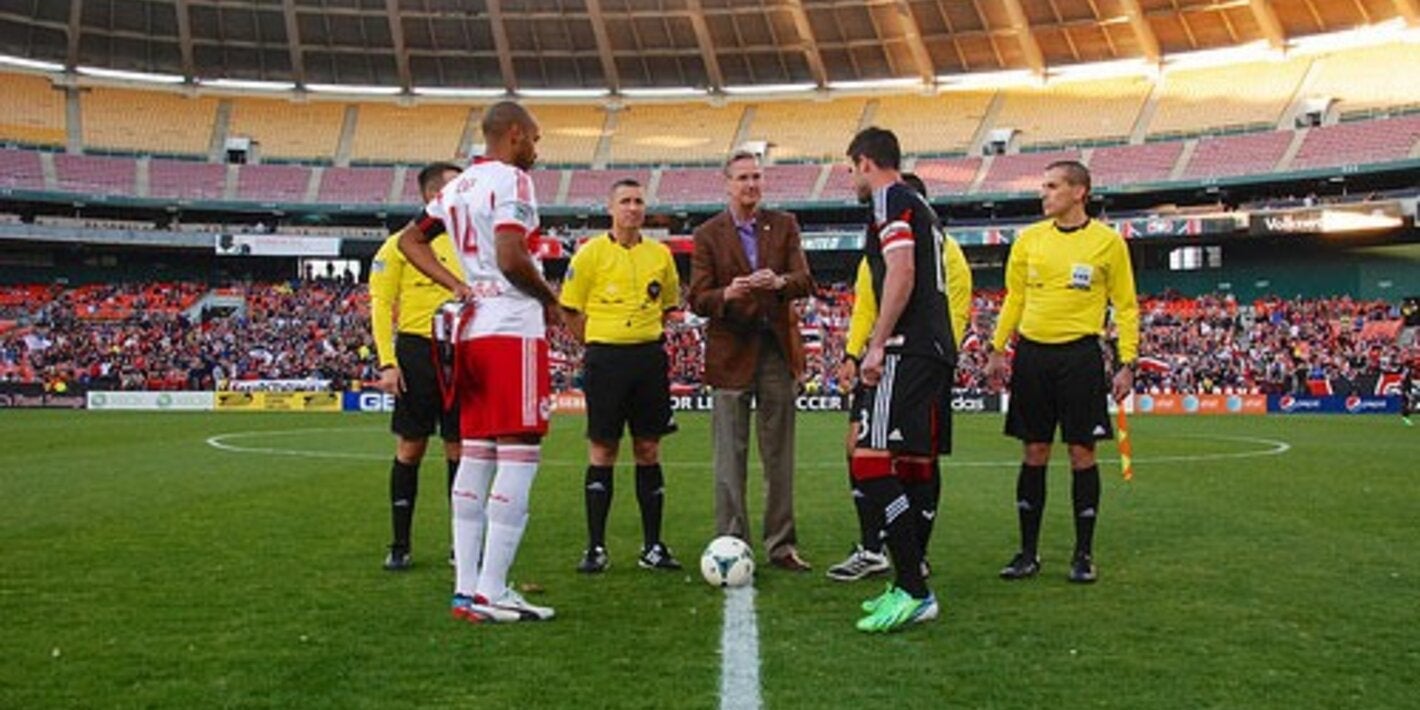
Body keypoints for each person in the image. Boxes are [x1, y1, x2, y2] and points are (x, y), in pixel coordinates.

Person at [396, 100, 562, 624]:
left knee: (475, 454)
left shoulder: (457, 187)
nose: (536, 149)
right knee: (518, 452)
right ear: (513, 135)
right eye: (533, 138)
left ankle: (467, 591)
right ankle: (492, 590)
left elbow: (410, 239)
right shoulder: (513, 180)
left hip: (471, 328)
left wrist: (456, 285)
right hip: (512, 327)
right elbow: (513, 256)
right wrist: (552, 303)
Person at [984, 160, 1139, 585]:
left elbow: (1125, 306)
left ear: (1079, 192)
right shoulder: (1029, 240)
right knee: (1033, 452)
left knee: (1081, 454)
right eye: (1043, 186)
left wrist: (1127, 362)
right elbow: (1014, 297)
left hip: (1081, 357)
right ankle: (1027, 553)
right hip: (1033, 356)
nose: (1044, 194)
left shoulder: (1108, 243)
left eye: (1052, 186)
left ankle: (1083, 554)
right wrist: (998, 348)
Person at [828, 172, 972, 583]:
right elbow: (866, 306)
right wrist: (854, 354)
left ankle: (914, 557)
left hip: (919, 358)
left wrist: (939, 359)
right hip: (882, 357)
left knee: (916, 459)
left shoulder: (946, 252)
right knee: (859, 447)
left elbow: (953, 310)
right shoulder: (879, 253)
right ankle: (874, 547)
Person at [840, 128, 952, 632]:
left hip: (908, 349)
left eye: (851, 169)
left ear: (866, 162)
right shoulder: (921, 206)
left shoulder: (889, 199)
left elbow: (901, 273)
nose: (852, 180)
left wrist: (878, 342)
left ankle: (913, 588)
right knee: (896, 463)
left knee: (868, 461)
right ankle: (907, 580)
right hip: (929, 348)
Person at [688, 150, 814, 572]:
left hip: (776, 350)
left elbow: (804, 280)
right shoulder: (708, 234)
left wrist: (778, 282)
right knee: (730, 456)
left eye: (757, 177)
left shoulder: (784, 225)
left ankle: (781, 545)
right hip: (730, 353)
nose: (751, 185)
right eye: (743, 177)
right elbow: (698, 298)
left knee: (780, 455)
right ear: (727, 183)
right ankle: (730, 540)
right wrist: (728, 294)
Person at [559, 178, 683, 573]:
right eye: (625, 201)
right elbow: (569, 309)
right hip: (605, 361)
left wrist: (638, 334)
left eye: (638, 201)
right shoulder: (590, 253)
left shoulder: (660, 254)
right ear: (611, 208)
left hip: (648, 359)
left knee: (648, 449)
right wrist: (597, 343)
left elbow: (667, 306)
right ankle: (595, 548)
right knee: (603, 450)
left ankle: (653, 546)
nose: (633, 208)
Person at [369, 161, 465, 571]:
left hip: (463, 349)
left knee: (461, 449)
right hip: (416, 351)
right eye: (456, 189)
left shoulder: (469, 241)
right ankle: (399, 543)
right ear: (433, 197)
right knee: (411, 447)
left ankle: (462, 543)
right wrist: (388, 363)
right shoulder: (398, 245)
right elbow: (380, 304)